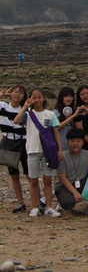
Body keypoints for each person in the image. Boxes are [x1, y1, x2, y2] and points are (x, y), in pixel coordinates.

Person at [14, 88, 62, 218]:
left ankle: (48, 207)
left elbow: (56, 132)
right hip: (32, 150)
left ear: (44, 98)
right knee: (33, 181)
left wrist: (59, 149)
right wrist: (25, 106)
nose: (37, 100)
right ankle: (35, 206)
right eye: (34, 97)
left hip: (48, 152)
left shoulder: (50, 115)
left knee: (48, 180)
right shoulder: (28, 115)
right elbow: (16, 121)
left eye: (39, 97)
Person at [55, 128, 88, 215]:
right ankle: (64, 205)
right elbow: (62, 178)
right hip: (66, 184)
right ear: (68, 142)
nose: (75, 144)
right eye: (72, 141)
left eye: (78, 141)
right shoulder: (62, 156)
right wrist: (75, 193)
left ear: (83, 142)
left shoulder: (87, 155)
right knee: (67, 203)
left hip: (82, 181)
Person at [0, 85, 29, 213]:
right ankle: (20, 202)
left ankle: (38, 202)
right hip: (8, 142)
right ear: (10, 93)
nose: (17, 94)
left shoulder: (26, 110)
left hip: (23, 142)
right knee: (14, 174)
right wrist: (1, 94)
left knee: (29, 173)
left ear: (24, 96)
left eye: (20, 93)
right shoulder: (3, 106)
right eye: (15, 92)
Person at [53, 86, 78, 151]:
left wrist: (72, 120)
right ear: (61, 97)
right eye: (66, 96)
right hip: (59, 147)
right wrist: (69, 119)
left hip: (71, 147)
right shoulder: (55, 112)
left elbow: (76, 129)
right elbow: (56, 128)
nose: (69, 98)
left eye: (71, 96)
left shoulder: (74, 112)